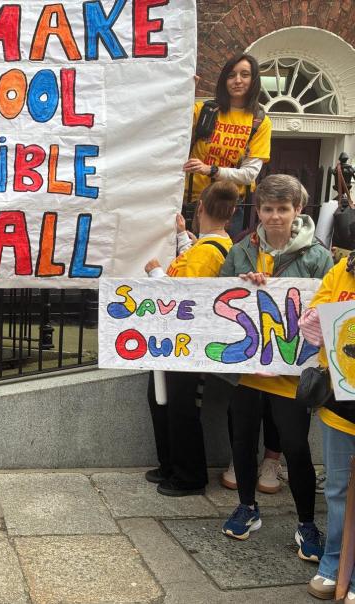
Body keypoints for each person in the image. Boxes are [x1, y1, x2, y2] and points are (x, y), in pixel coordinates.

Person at [218, 174, 332, 562]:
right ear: (259, 211)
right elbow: (218, 296)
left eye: (283, 209)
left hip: (291, 374)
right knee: (242, 439)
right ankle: (247, 507)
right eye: (267, 209)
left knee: (297, 447)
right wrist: (241, 283)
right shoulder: (241, 251)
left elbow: (327, 307)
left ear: (298, 210)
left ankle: (306, 523)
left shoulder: (317, 255)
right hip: (249, 369)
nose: (275, 217)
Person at [144, 181, 238, 496]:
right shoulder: (216, 245)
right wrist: (184, 236)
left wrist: (157, 272)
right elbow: (195, 261)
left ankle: (188, 474)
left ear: (200, 208)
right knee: (167, 402)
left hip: (184, 341)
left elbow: (181, 296)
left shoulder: (210, 251)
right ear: (233, 212)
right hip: (182, 341)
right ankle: (171, 465)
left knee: (179, 406)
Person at [300, 254, 355, 600]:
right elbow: (313, 323)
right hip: (340, 399)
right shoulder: (341, 271)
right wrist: (321, 318)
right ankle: (334, 563)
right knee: (337, 489)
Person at [183, 53, 272, 236]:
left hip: (229, 207)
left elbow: (249, 174)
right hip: (191, 201)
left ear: (254, 80)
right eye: (231, 75)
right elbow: (171, 124)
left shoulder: (259, 121)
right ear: (224, 80)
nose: (237, 80)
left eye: (245, 74)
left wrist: (212, 170)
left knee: (221, 259)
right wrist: (185, 93)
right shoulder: (205, 110)